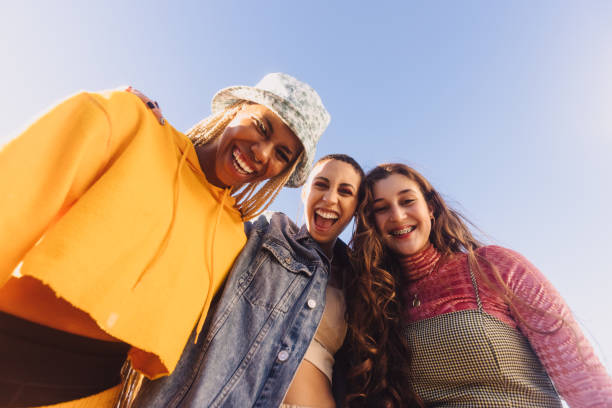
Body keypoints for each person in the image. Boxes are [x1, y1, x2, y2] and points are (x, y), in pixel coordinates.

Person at [0, 72, 330, 407]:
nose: (262, 153)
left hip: (91, 394)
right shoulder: (131, 123)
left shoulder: (233, 237)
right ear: (237, 109)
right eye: (262, 126)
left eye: (282, 154)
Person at [127, 154, 417, 408]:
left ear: (356, 207)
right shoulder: (267, 233)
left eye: (345, 191)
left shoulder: (358, 276)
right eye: (321, 184)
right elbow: (198, 221)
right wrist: (163, 137)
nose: (330, 198)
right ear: (304, 192)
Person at [351, 162, 612, 407]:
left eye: (407, 201)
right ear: (371, 222)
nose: (397, 215)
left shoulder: (494, 266)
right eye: (381, 208)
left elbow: (580, 374)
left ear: (430, 208)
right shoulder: (378, 302)